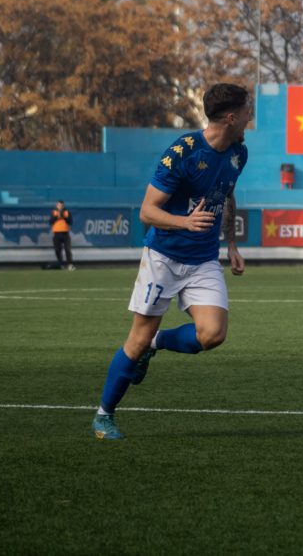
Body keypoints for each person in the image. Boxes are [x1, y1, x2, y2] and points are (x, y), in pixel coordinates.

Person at [91, 83, 251, 440]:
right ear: (231, 117)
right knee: (136, 339)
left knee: (213, 334)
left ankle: (157, 343)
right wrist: (185, 222)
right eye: (246, 111)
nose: (249, 117)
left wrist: (232, 244)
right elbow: (147, 212)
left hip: (203, 259)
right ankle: (104, 415)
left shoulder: (238, 153)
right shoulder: (183, 152)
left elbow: (226, 194)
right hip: (163, 258)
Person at [50, 200, 74, 270]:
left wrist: (64, 216)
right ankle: (61, 264)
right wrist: (57, 216)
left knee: (67, 249)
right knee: (57, 250)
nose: (60, 207)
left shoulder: (67, 212)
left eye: (62, 206)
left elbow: (70, 221)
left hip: (65, 233)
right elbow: (51, 221)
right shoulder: (54, 212)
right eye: (59, 205)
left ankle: (70, 264)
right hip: (56, 233)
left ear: (63, 206)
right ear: (56, 205)